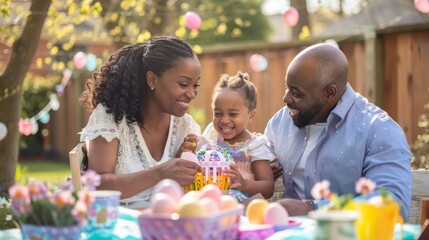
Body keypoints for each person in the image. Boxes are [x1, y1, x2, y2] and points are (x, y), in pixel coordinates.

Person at [265, 43, 412, 220]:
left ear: (329, 93)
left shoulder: (378, 130)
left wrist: (312, 209)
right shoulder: (279, 124)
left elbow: (392, 204)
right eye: (287, 87)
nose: (286, 98)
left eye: (297, 93)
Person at [79, 36, 202, 209]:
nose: (191, 93)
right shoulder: (111, 118)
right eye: (183, 84)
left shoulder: (185, 126)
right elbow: (97, 185)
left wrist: (184, 163)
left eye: (196, 85)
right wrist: (160, 173)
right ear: (152, 79)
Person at [202, 72, 275, 200]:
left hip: (242, 207)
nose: (224, 120)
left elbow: (268, 187)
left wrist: (244, 183)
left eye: (233, 114)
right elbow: (201, 157)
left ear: (251, 115)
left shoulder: (254, 146)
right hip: (212, 201)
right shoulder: (213, 136)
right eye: (218, 113)